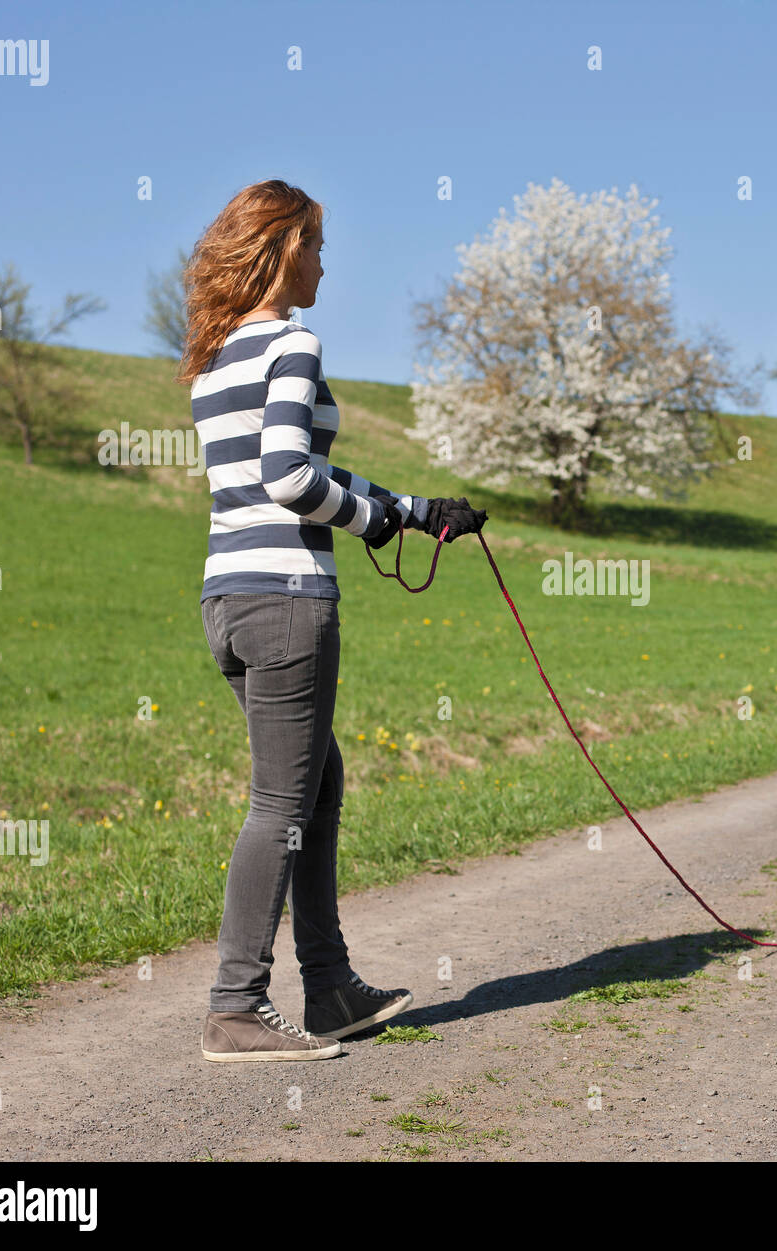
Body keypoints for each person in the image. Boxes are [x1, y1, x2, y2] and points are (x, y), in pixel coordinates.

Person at [176, 179, 486, 1061]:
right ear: (282, 249)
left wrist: (419, 510)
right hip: (286, 601)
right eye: (315, 243)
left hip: (228, 600)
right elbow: (290, 477)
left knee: (317, 784)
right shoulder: (293, 342)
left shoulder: (217, 356)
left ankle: (331, 989)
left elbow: (303, 470)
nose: (324, 260)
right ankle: (236, 1007)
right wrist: (374, 521)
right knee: (282, 800)